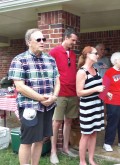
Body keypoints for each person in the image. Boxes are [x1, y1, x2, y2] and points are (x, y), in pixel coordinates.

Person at [8, 28, 60, 165]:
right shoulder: (19, 60)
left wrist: (54, 96)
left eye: (44, 39)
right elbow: (19, 86)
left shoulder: (50, 59)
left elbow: (57, 80)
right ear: (28, 42)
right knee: (27, 140)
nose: (42, 42)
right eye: (38, 39)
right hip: (29, 107)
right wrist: (42, 99)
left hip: (48, 107)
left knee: (39, 139)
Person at [49, 28, 79, 164]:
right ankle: (53, 152)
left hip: (72, 93)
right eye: (73, 40)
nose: (74, 43)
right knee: (56, 123)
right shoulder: (54, 52)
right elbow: (50, 73)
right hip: (60, 93)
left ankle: (66, 148)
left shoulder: (73, 54)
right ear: (66, 38)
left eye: (75, 41)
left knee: (68, 121)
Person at [76, 46, 105, 165]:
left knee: (94, 133)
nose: (97, 55)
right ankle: (82, 161)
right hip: (87, 108)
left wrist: (105, 92)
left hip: (97, 106)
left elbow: (99, 87)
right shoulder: (82, 72)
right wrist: (95, 89)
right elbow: (79, 92)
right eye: (95, 53)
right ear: (88, 55)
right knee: (86, 135)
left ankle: (91, 159)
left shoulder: (96, 70)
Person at [103, 52, 120, 152]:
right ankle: (107, 143)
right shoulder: (109, 72)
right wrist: (108, 94)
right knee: (112, 122)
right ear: (116, 61)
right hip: (113, 102)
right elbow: (104, 87)